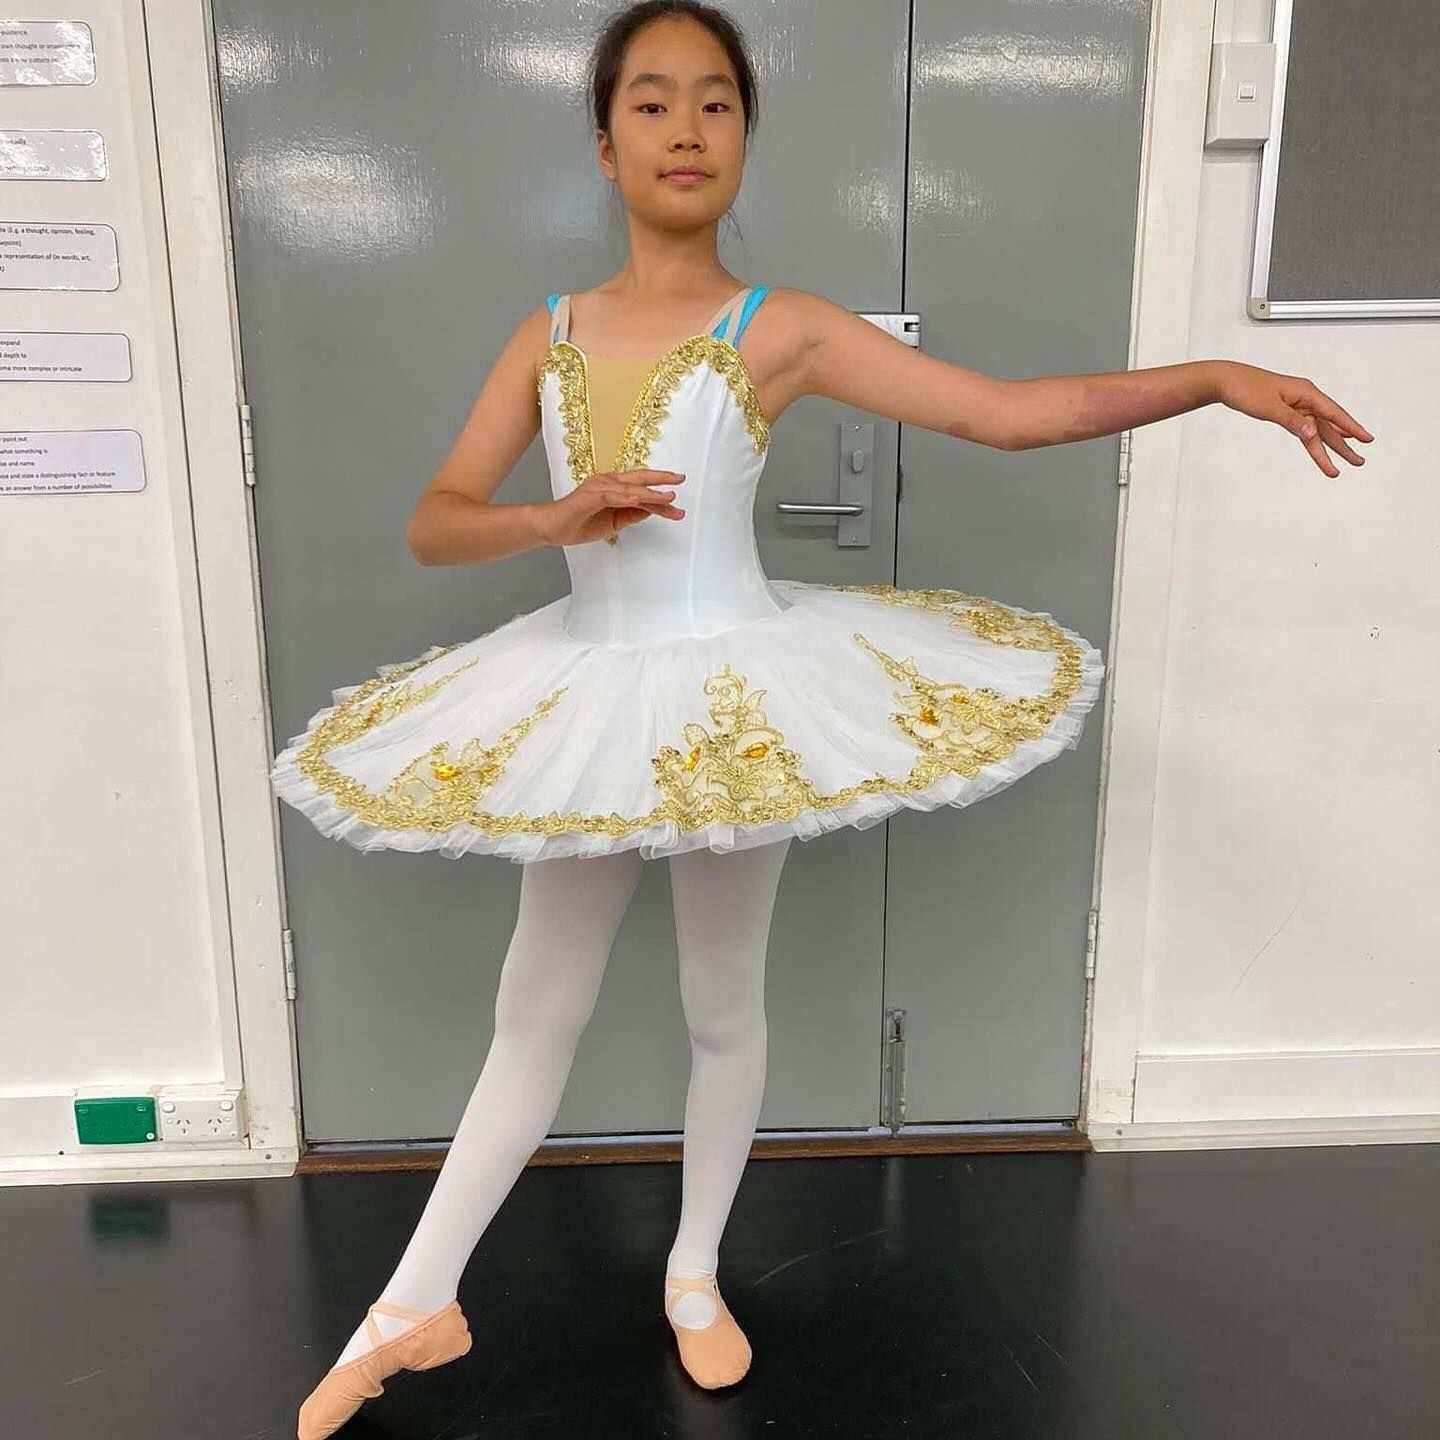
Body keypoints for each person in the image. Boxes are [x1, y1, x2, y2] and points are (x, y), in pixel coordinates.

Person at [272, 3, 1372, 1434]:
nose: (685, 127)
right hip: (590, 695)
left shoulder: (775, 328)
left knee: (722, 1002)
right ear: (603, 144)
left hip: (738, 690)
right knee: (533, 1007)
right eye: (653, 103)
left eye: (717, 102)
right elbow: (437, 522)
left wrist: (1217, 376)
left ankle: (691, 1272)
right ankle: (417, 1305)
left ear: (745, 138)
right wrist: (556, 512)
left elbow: (1006, 412)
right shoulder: (546, 335)